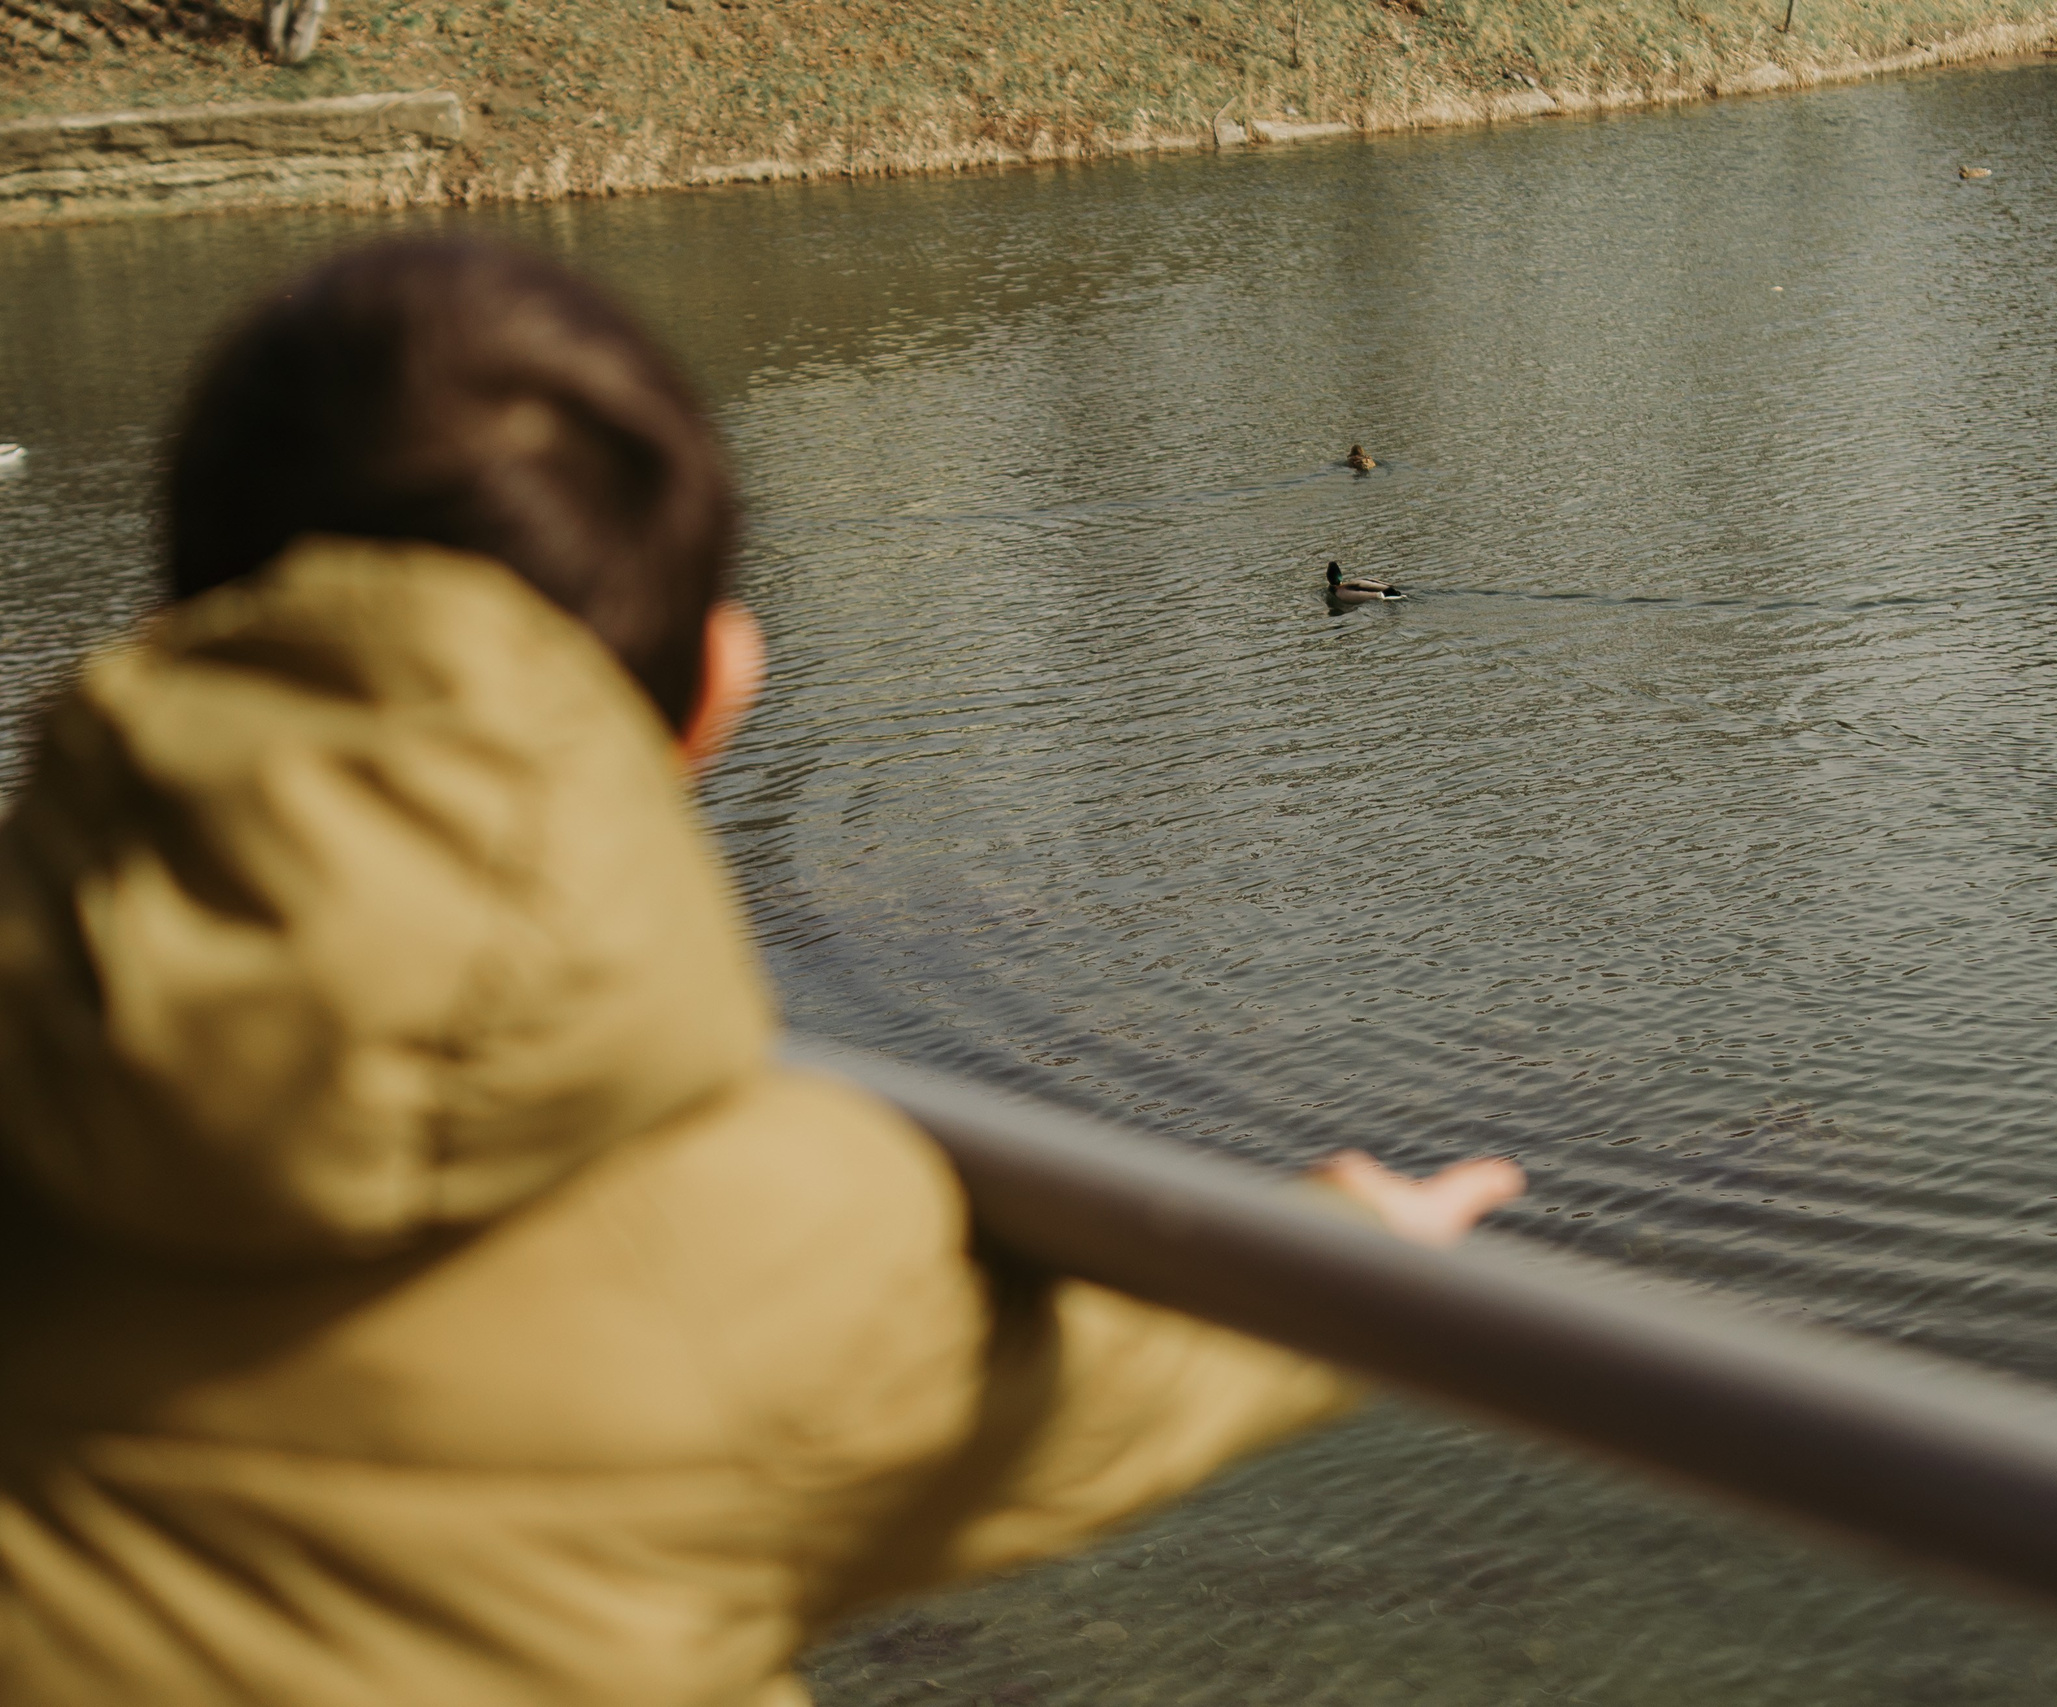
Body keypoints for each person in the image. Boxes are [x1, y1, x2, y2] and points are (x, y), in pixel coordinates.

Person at [0, 240, 1522, 1707]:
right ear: (720, 692)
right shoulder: (787, 1231)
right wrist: (1355, 1239)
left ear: (183, 630)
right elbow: (1119, 1389)